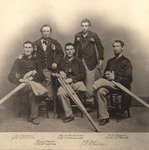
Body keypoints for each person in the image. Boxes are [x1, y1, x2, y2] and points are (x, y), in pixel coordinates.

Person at [92, 40, 133, 125]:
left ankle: (95, 85)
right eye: (114, 46)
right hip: (110, 86)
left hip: (121, 87)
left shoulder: (126, 62)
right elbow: (104, 76)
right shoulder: (110, 61)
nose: (115, 48)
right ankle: (104, 117)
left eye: (118, 46)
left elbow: (128, 79)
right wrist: (106, 75)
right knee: (100, 91)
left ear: (122, 48)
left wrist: (114, 77)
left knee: (100, 83)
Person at [8, 41, 46, 125]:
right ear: (23, 49)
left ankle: (33, 117)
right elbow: (10, 76)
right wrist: (20, 80)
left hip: (33, 86)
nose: (27, 49)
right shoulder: (18, 61)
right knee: (32, 86)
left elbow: (42, 76)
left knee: (33, 92)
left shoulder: (37, 60)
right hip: (23, 86)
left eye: (29, 47)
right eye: (26, 47)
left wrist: (33, 76)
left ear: (32, 49)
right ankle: (43, 92)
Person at [74, 18, 104, 105]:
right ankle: (81, 101)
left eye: (86, 26)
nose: (84, 28)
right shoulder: (77, 35)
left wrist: (100, 60)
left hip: (90, 61)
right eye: (82, 26)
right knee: (79, 79)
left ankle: (89, 101)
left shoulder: (93, 35)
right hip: (79, 61)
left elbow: (100, 47)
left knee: (89, 81)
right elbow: (74, 48)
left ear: (89, 27)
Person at [57, 43, 87, 123]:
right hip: (65, 84)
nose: (69, 51)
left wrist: (72, 79)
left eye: (71, 49)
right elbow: (56, 71)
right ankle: (69, 115)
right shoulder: (61, 61)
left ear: (74, 50)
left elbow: (83, 75)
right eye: (67, 49)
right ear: (65, 51)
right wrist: (60, 72)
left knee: (83, 88)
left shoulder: (79, 61)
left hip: (76, 83)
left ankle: (85, 105)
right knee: (60, 93)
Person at [34, 24, 64, 100]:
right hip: (39, 68)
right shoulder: (36, 43)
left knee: (49, 82)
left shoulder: (54, 42)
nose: (46, 33)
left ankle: (48, 101)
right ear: (41, 32)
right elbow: (30, 53)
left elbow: (61, 53)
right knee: (39, 83)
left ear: (50, 32)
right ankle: (42, 102)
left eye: (47, 31)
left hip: (50, 68)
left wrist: (55, 62)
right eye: (44, 31)